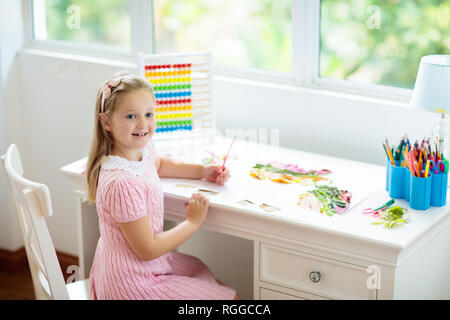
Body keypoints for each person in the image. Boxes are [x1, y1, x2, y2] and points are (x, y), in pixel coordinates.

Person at [86, 72, 238, 300]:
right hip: (130, 285)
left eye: (149, 114)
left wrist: (202, 171)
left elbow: (160, 165)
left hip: (147, 266)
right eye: (131, 116)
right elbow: (148, 250)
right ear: (106, 122)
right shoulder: (120, 183)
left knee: (201, 271)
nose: (143, 124)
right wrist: (193, 222)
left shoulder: (141, 151)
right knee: (230, 298)